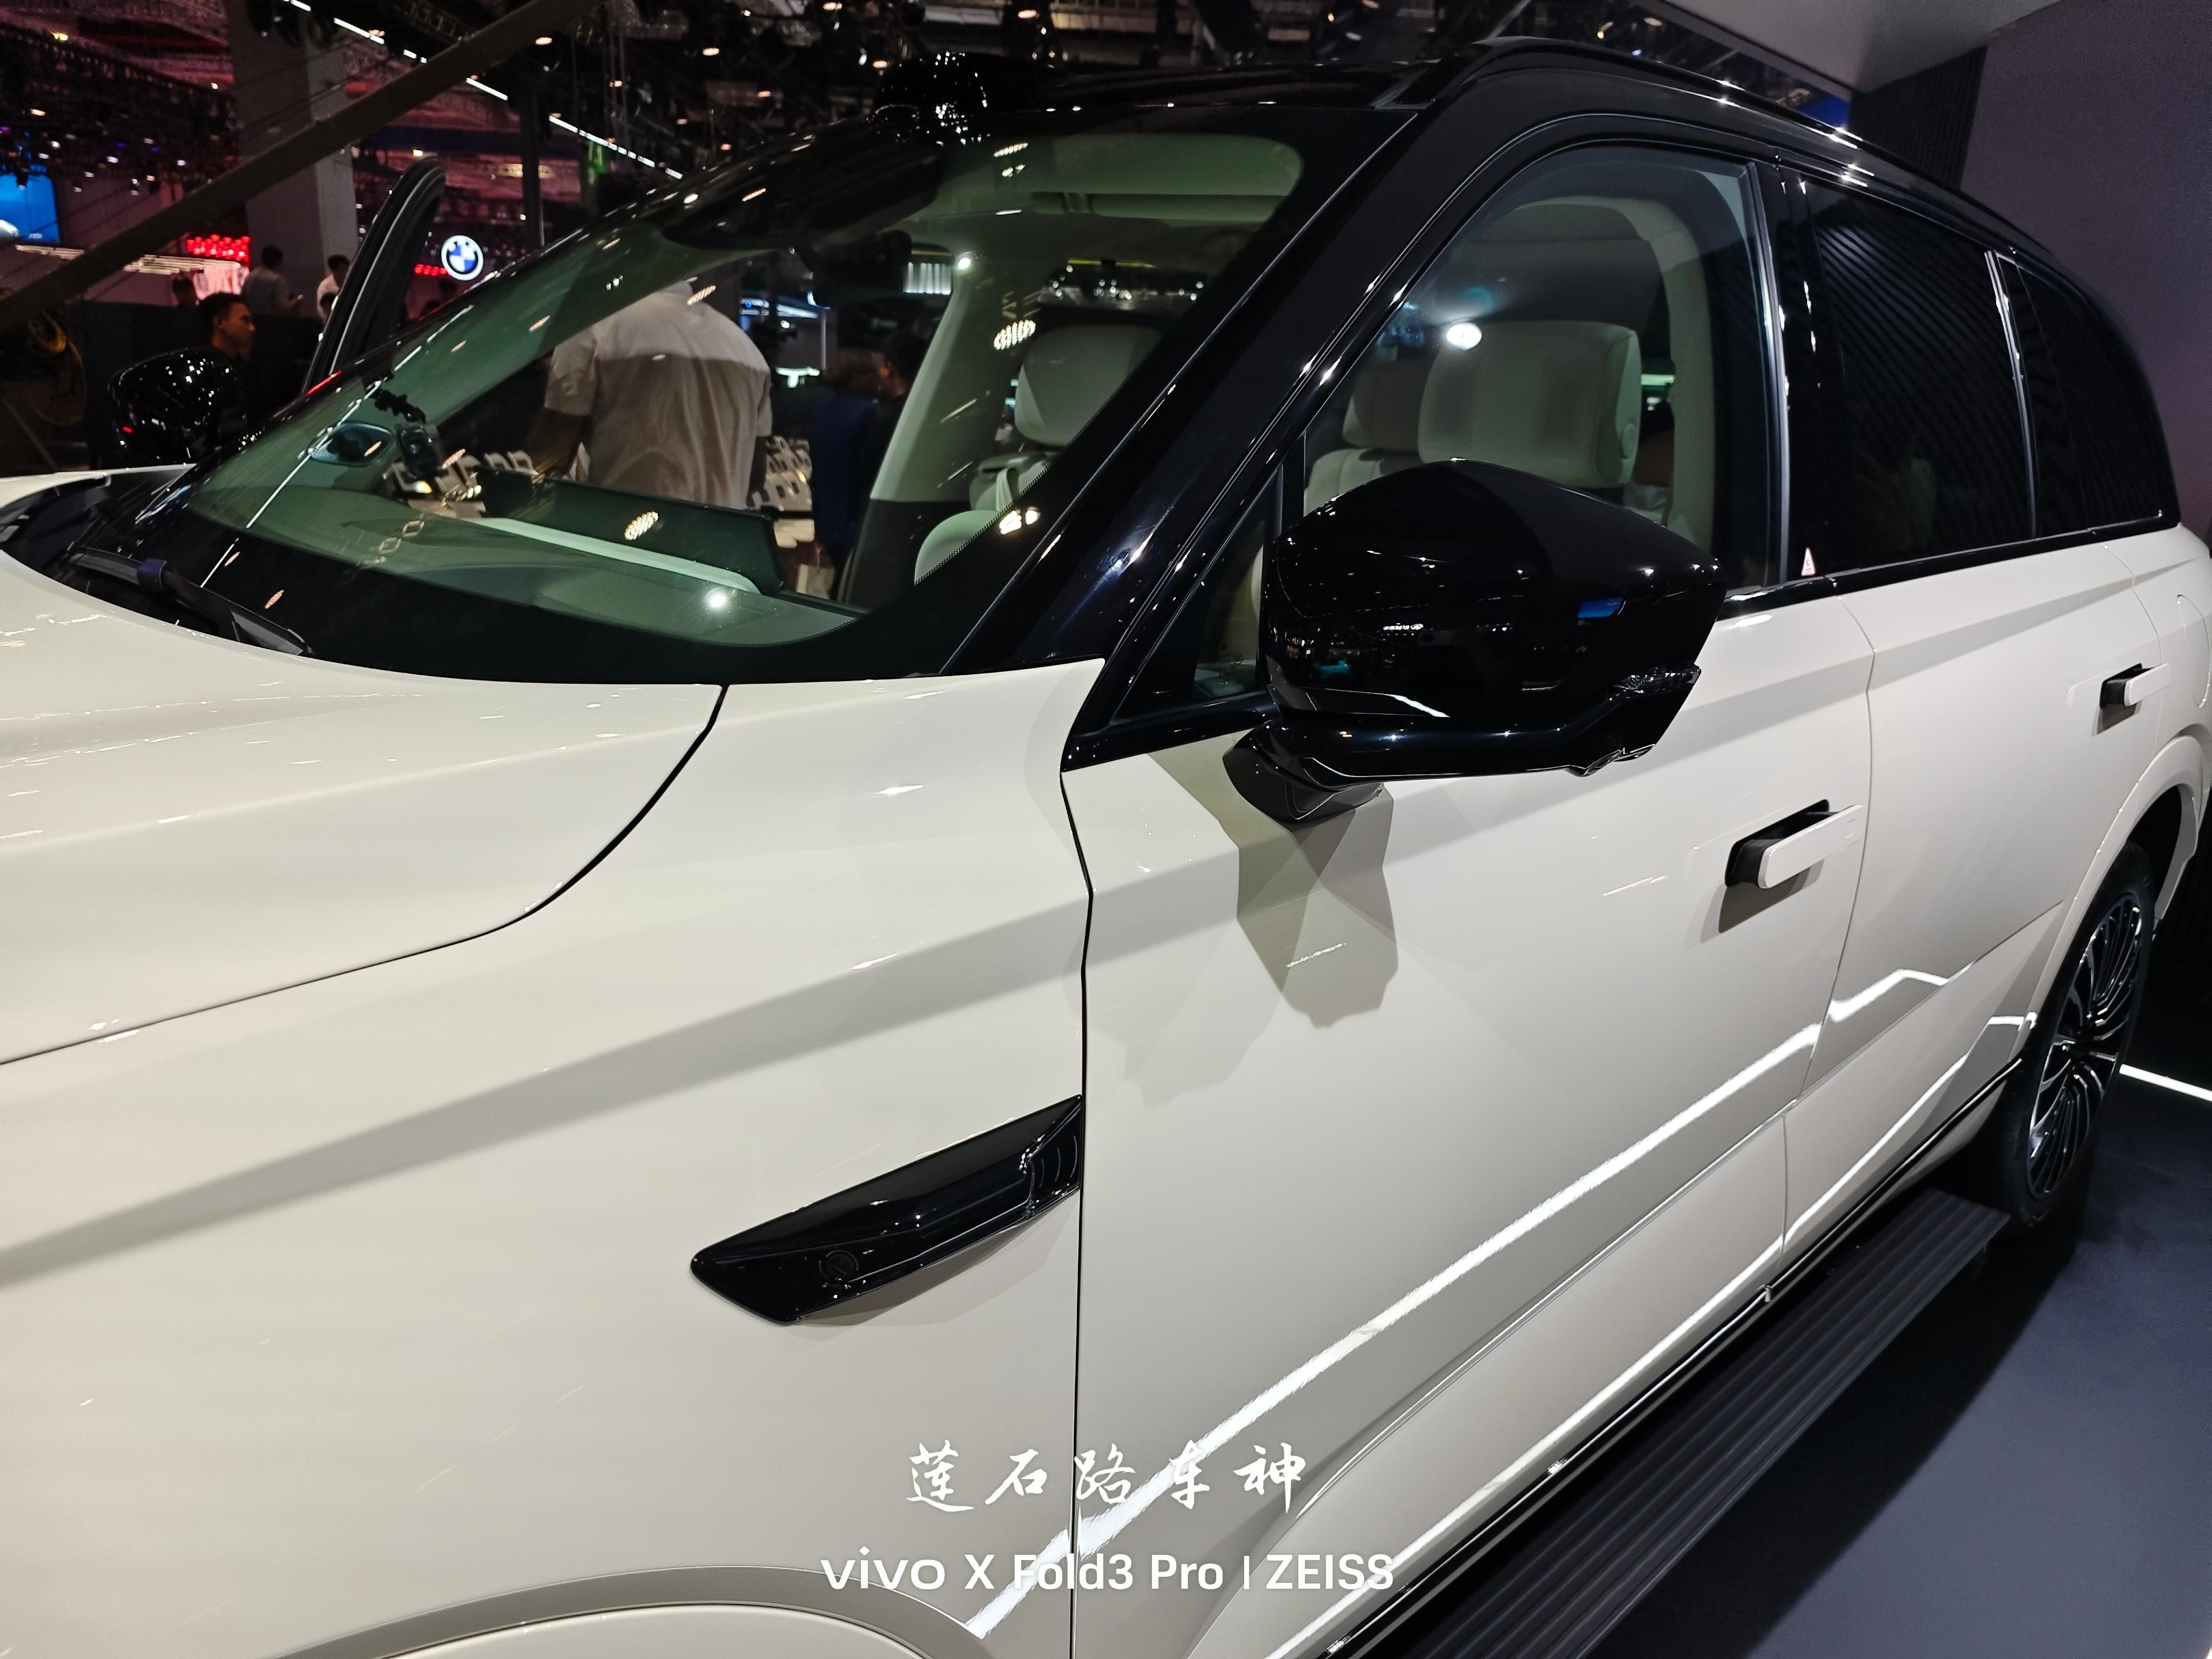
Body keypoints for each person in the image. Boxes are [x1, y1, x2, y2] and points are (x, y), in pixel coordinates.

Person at [526, 275, 774, 514]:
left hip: (628, 531)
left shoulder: (595, 327)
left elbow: (550, 455)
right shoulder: (748, 352)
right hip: (721, 534)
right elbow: (755, 477)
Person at [803, 348, 885, 571]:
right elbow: (863, 472)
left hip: (826, 519)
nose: (878, 378)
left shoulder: (821, 412)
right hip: (854, 521)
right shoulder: (868, 414)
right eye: (872, 372)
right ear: (858, 376)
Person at [240, 244, 305, 316]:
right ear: (279, 262)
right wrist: (297, 300)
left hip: (252, 317)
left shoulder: (251, 275)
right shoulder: (277, 279)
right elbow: (282, 306)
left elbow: (243, 297)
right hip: (270, 319)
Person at [315, 253, 349, 322]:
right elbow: (322, 311)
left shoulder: (350, 282)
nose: (346, 272)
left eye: (347, 269)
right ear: (333, 271)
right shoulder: (325, 287)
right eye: (342, 270)